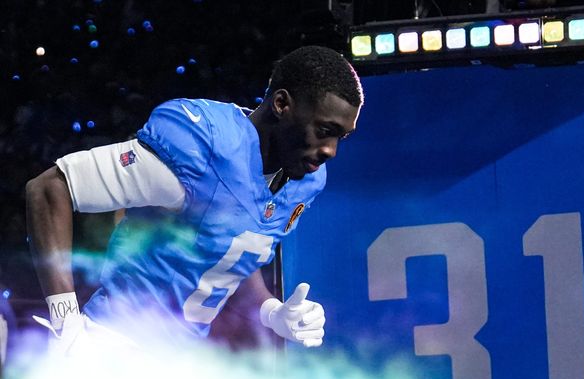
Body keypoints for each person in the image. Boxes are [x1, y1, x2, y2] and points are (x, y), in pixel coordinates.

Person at [25, 46, 363, 352]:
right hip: (117, 342)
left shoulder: (305, 181)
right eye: (324, 131)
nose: (331, 151)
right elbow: (49, 189)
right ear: (281, 105)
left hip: (179, 364)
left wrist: (272, 312)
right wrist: (66, 325)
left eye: (341, 136)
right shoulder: (205, 146)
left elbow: (230, 259)